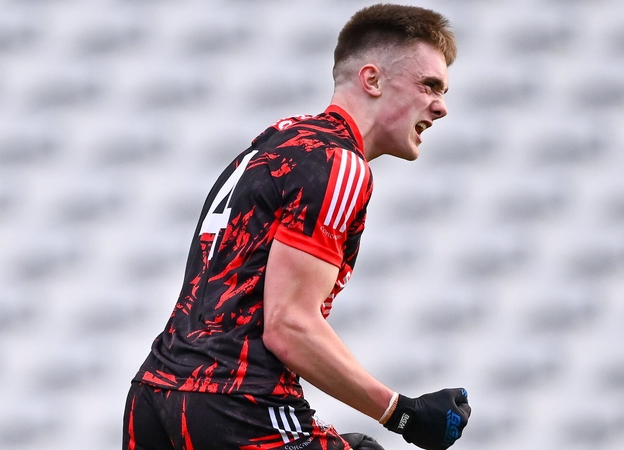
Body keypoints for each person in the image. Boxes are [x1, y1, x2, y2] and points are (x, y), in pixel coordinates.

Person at [123, 4, 471, 450]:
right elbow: (288, 325)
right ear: (373, 80)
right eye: (430, 86)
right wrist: (401, 412)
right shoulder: (339, 162)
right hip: (236, 399)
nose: (441, 107)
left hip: (155, 393)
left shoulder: (278, 140)